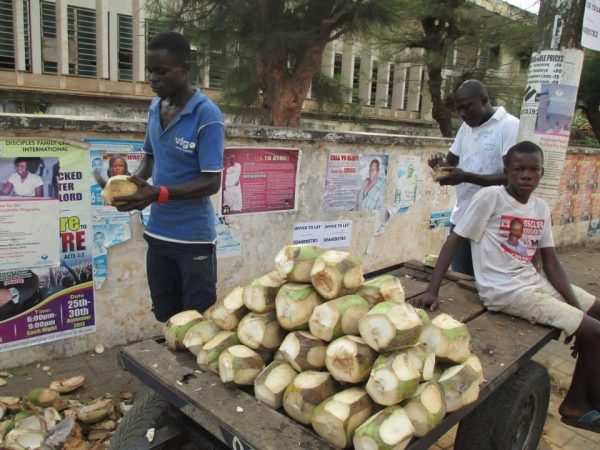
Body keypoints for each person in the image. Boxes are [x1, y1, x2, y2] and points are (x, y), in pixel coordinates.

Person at [411, 142, 600, 432]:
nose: (526, 175)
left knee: (596, 313)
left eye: (533, 170)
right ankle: (578, 406)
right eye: (519, 169)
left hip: (533, 281)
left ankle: (581, 391)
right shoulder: (490, 198)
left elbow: (551, 264)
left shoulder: (540, 207)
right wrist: (432, 290)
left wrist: (576, 312)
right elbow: (455, 239)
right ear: (506, 172)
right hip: (506, 292)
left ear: (541, 173)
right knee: (594, 332)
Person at [113, 31, 225, 322]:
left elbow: (212, 181)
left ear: (185, 68)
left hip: (193, 242)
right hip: (158, 236)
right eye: (150, 71)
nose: (153, 79)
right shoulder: (154, 107)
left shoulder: (207, 116)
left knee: (197, 322)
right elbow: (150, 156)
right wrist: (133, 182)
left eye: (161, 72)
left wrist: (158, 193)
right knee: (166, 316)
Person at [429, 79, 519, 276]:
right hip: (463, 217)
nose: (462, 114)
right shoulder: (466, 127)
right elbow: (449, 163)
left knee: (488, 284)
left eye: (467, 107)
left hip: (493, 222)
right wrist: (439, 165)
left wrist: (466, 177)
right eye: (459, 109)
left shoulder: (509, 126)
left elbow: (512, 178)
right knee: (460, 280)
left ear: (485, 100)